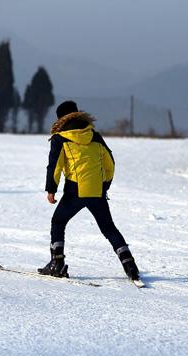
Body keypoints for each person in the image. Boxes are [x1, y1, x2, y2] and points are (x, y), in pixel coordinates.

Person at [38, 100, 140, 281]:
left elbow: (55, 166)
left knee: (58, 222)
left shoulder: (60, 138)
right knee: (109, 228)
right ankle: (130, 265)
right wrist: (104, 185)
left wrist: (51, 189)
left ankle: (57, 264)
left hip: (75, 191)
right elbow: (110, 163)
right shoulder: (94, 136)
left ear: (60, 119)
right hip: (97, 191)